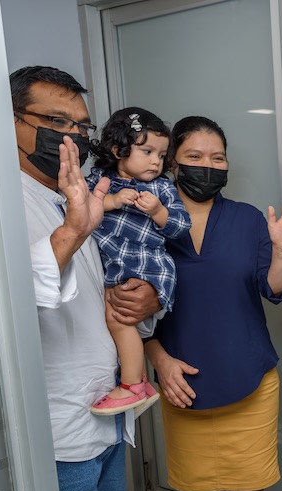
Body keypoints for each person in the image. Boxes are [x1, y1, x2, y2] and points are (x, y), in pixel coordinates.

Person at [144, 116, 282, 491]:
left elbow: (272, 289)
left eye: (218, 157)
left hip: (249, 380)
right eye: (194, 155)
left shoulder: (248, 218)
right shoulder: (144, 221)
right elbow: (126, 306)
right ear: (173, 162)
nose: (208, 164)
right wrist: (160, 361)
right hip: (182, 383)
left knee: (247, 487)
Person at [12, 65, 161, 491]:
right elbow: (17, 302)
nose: (72, 135)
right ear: (10, 119)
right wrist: (74, 228)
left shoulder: (70, 193)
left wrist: (145, 299)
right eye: (57, 122)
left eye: (81, 125)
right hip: (57, 432)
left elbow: (98, 290)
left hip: (106, 415)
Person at [86, 107, 190, 416]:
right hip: (116, 265)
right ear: (119, 150)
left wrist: (158, 211)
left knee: (119, 320)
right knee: (116, 320)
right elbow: (83, 207)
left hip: (146, 264)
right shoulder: (99, 181)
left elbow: (181, 227)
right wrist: (112, 201)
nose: (156, 161)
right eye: (147, 151)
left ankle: (133, 385)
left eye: (161, 154)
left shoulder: (161, 188)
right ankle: (138, 381)